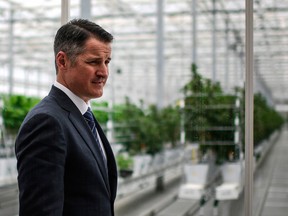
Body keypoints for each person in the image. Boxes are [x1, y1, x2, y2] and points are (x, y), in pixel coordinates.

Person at [15, 19, 118, 216]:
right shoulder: (47, 122)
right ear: (62, 61)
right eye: (93, 62)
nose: (104, 72)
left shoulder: (82, 115)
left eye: (106, 62)